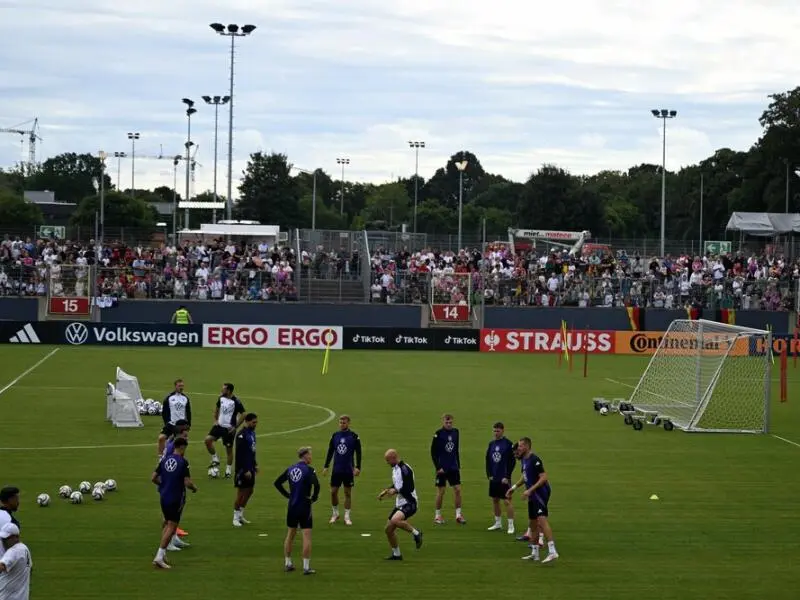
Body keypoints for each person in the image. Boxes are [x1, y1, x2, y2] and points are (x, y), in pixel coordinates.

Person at [506, 437, 559, 563]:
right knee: (533, 523)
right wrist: (514, 487)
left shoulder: (535, 459)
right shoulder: (524, 460)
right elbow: (525, 477)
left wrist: (530, 490)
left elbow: (544, 477)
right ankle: (535, 553)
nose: (518, 448)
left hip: (540, 494)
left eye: (520, 446)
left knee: (541, 520)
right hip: (532, 495)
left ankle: (552, 551)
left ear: (526, 446)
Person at [151, 437, 197, 569]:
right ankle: (159, 556)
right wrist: (194, 488)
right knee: (172, 526)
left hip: (164, 495)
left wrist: (164, 485)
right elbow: (187, 482)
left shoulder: (164, 460)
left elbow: (153, 478)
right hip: (176, 497)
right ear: (182, 447)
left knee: (166, 522)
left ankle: (163, 554)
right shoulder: (183, 462)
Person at [274, 447, 320, 575]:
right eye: (310, 455)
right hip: (304, 505)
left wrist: (288, 495)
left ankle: (288, 563)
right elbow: (316, 485)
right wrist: (314, 498)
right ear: (305, 456)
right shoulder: (309, 470)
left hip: (292, 505)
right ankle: (306, 567)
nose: (311, 457)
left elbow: (277, 483)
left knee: (290, 534)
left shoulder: (291, 469)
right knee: (306, 535)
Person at [378, 449, 423, 560]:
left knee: (395, 520)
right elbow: (397, 483)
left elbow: (409, 487)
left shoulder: (405, 469)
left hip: (410, 502)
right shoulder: (395, 469)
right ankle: (397, 554)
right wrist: (387, 490)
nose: (387, 463)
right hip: (400, 504)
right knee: (388, 530)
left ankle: (416, 533)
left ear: (394, 458)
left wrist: (396, 491)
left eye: (388, 460)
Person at [322, 414, 362, 525]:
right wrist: (326, 466)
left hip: (348, 469)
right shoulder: (335, 436)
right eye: (340, 422)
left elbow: (358, 452)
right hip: (337, 469)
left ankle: (347, 516)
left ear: (348, 423)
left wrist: (358, 467)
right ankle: (335, 514)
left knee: (347, 493)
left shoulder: (354, 436)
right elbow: (330, 451)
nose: (341, 424)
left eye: (344, 422)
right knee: (333, 492)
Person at [204, 383, 245, 478]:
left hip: (228, 429)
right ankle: (215, 458)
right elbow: (217, 409)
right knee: (207, 440)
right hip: (219, 426)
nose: (222, 390)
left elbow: (244, 414)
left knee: (229, 450)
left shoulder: (236, 401)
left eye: (224, 389)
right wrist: (215, 420)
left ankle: (228, 470)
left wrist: (235, 427)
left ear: (229, 391)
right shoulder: (221, 398)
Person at [430, 413, 465, 524]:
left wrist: (458, 464)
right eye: (447, 422)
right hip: (442, 468)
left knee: (458, 490)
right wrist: (438, 467)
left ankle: (458, 515)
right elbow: (433, 452)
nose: (449, 424)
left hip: (453, 466)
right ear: (443, 422)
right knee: (441, 491)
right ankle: (437, 516)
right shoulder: (438, 434)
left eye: (450, 422)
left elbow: (456, 449)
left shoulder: (456, 432)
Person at [485, 422, 516, 534]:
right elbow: (488, 460)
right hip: (494, 477)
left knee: (507, 501)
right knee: (495, 500)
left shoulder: (508, 444)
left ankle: (511, 525)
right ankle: (498, 523)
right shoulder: (491, 444)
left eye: (498, 431)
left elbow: (512, 462)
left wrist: (507, 476)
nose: (496, 433)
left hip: (504, 478)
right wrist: (489, 474)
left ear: (503, 431)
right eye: (494, 431)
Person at [232, 413, 258, 527]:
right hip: (242, 470)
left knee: (250, 491)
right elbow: (240, 454)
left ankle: (241, 514)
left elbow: (251, 452)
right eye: (253, 422)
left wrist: (255, 464)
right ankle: (235, 517)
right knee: (241, 492)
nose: (255, 424)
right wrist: (245, 469)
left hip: (250, 467)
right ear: (246, 422)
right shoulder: (241, 435)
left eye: (256, 422)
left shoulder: (252, 433)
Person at [157, 379, 192, 457]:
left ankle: (180, 459)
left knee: (181, 444)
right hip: (171, 424)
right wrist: (166, 423)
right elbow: (164, 412)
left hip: (181, 426)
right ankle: (161, 458)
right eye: (179, 386)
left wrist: (188, 424)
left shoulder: (185, 398)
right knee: (161, 438)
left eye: (182, 386)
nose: (181, 387)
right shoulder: (169, 398)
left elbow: (188, 412)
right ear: (175, 386)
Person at [0, 523, 31, 600]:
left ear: (16, 537)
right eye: (2, 539)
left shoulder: (14, 551)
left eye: (6, 539)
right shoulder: (24, 548)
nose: (3, 542)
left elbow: (1, 566)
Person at [0, 487, 20, 562]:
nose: (18, 502)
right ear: (10, 500)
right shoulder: (11, 522)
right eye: (16, 499)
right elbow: (13, 546)